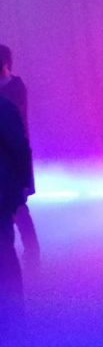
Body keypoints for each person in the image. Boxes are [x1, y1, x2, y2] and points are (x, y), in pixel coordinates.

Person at [0, 44, 38, 273]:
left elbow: (17, 136)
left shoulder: (14, 87)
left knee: (19, 209)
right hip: (11, 161)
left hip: (12, 163)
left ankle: (32, 254)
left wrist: (24, 178)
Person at [0, 93, 31, 325]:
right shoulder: (5, 107)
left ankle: (13, 317)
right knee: (4, 252)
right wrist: (23, 184)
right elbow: (19, 148)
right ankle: (13, 318)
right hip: (3, 191)